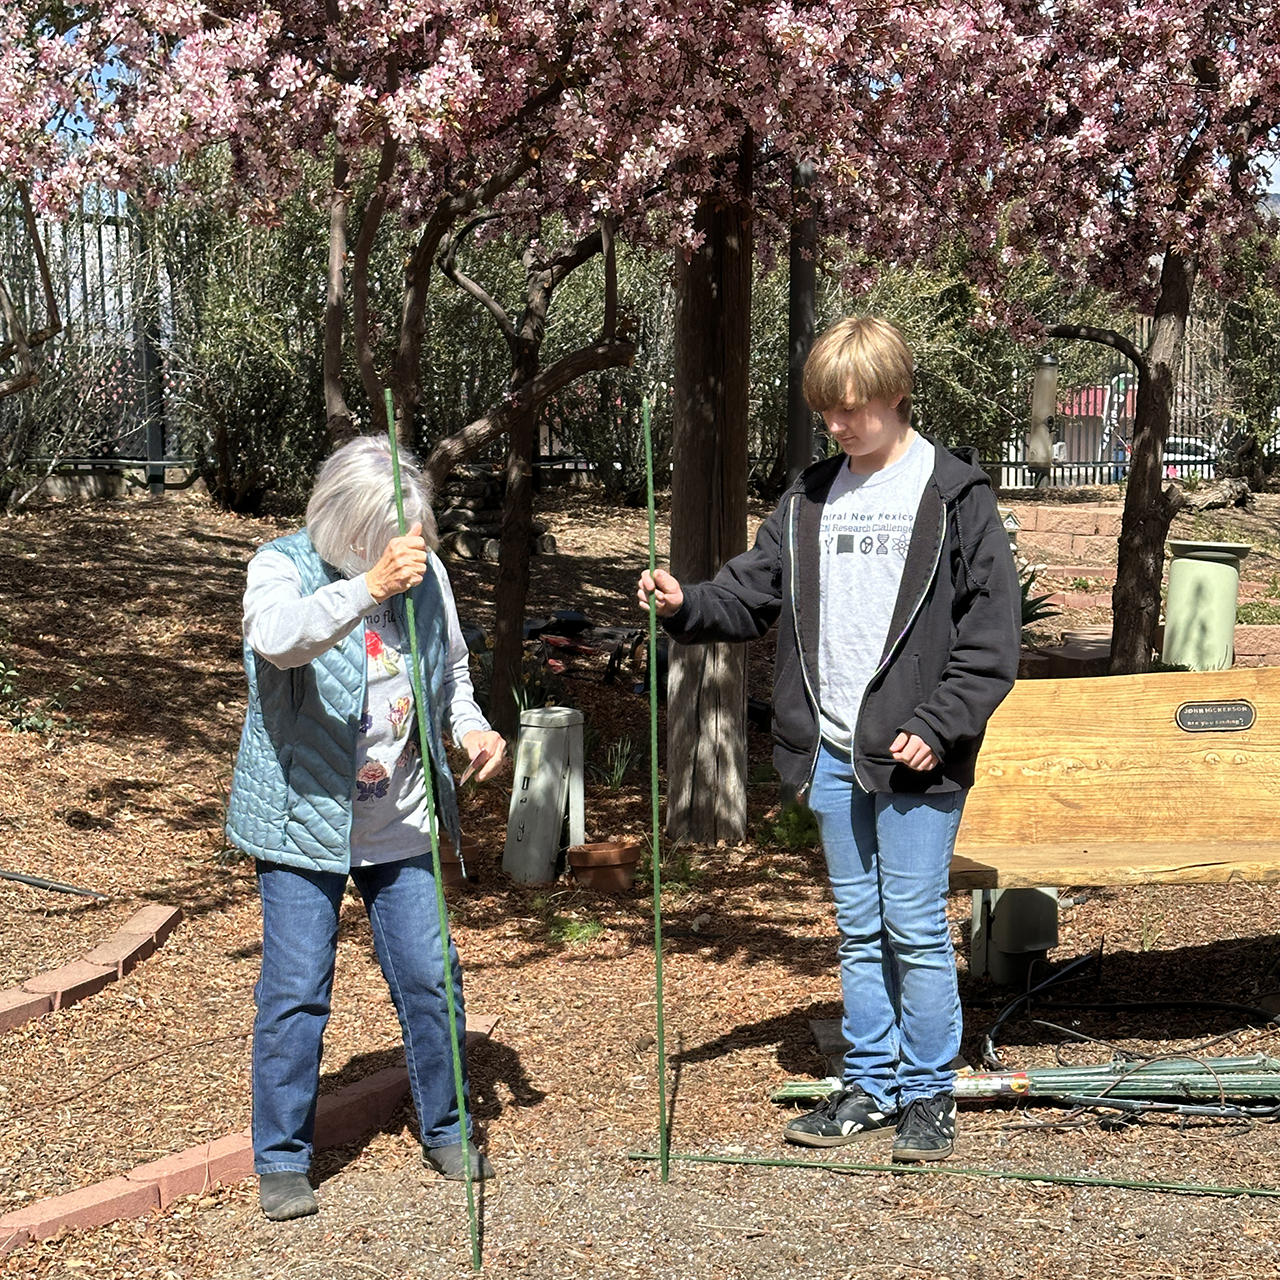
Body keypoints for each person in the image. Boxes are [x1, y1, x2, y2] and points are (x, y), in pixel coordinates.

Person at [638, 316, 1019, 1162]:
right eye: (830, 412)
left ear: (896, 395)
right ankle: (871, 1085)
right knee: (857, 926)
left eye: (857, 409)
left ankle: (929, 1095)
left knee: (913, 923)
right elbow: (749, 594)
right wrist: (682, 604)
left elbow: (991, 640)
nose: (842, 426)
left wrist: (937, 725)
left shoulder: (955, 497)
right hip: (834, 751)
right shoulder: (810, 497)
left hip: (917, 752)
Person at [225, 435, 506, 1221]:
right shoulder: (280, 565)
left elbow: (450, 677)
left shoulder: (425, 572)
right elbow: (279, 641)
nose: (395, 556)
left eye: (404, 540)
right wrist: (366, 588)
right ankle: (282, 1158)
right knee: (296, 991)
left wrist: (472, 731)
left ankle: (447, 1127)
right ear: (339, 524)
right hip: (302, 822)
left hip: (399, 821)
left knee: (430, 976)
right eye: (376, 542)